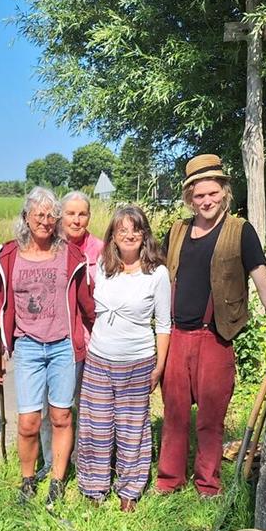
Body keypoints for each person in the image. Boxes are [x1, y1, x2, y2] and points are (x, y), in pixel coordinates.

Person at [155, 153, 266, 497]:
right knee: (174, 415)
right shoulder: (176, 231)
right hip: (176, 337)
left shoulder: (241, 231)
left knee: (211, 417)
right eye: (198, 195)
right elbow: (155, 280)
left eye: (212, 193)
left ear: (224, 191)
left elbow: (262, 283)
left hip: (215, 338)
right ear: (189, 197)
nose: (206, 201)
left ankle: (207, 484)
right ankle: (168, 482)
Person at [0, 187, 95, 509]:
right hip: (27, 348)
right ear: (26, 217)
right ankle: (27, 479)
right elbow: (0, 306)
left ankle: (58, 481)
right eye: (39, 215)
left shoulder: (73, 256)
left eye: (51, 215)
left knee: (62, 415)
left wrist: (100, 336)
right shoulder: (8, 255)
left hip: (63, 346)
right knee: (28, 421)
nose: (46, 221)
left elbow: (86, 305)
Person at [76, 205, 170, 511]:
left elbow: (165, 324)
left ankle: (129, 489)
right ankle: (94, 487)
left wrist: (159, 366)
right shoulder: (103, 266)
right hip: (99, 359)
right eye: (122, 230)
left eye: (135, 229)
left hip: (138, 361)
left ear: (144, 235)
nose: (129, 235)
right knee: (96, 426)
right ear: (113, 237)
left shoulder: (157, 274)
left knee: (132, 428)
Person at [36, 191, 104, 481]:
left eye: (82, 214)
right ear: (60, 216)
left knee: (82, 406)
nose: (76, 220)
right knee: (48, 408)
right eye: (71, 214)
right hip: (54, 340)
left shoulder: (100, 249)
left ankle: (81, 464)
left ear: (89, 216)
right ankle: (51, 464)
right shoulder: (49, 247)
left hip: (92, 342)